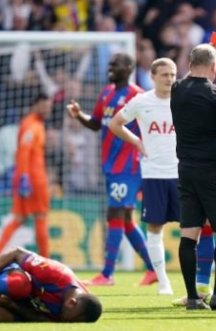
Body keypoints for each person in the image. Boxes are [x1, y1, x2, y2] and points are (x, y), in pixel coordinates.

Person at [66, 53, 156, 286]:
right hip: (109, 164)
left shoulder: (137, 95)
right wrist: (79, 116)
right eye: (110, 64)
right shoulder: (106, 92)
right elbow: (96, 124)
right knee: (125, 219)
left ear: (128, 67)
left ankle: (107, 274)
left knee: (114, 214)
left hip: (128, 165)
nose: (111, 68)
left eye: (115, 65)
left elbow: (148, 127)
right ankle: (153, 269)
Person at [171, 43, 216, 311]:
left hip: (185, 169)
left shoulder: (176, 90)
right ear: (214, 67)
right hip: (213, 169)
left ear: (189, 64)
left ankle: (192, 297)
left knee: (190, 232)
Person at [108, 58, 178, 295]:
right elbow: (115, 123)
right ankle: (163, 282)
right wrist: (136, 141)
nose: (169, 79)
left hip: (182, 174)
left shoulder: (183, 99)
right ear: (153, 76)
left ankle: (195, 283)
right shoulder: (141, 101)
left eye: (172, 74)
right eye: (164, 75)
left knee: (192, 228)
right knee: (155, 228)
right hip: (154, 174)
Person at [0, 94, 52, 261]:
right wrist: (24, 176)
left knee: (19, 218)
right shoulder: (32, 125)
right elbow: (24, 150)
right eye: (45, 106)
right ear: (36, 105)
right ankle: (46, 259)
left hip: (24, 176)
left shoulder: (31, 124)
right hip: (34, 178)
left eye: (49, 107)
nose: (48, 110)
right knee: (40, 216)